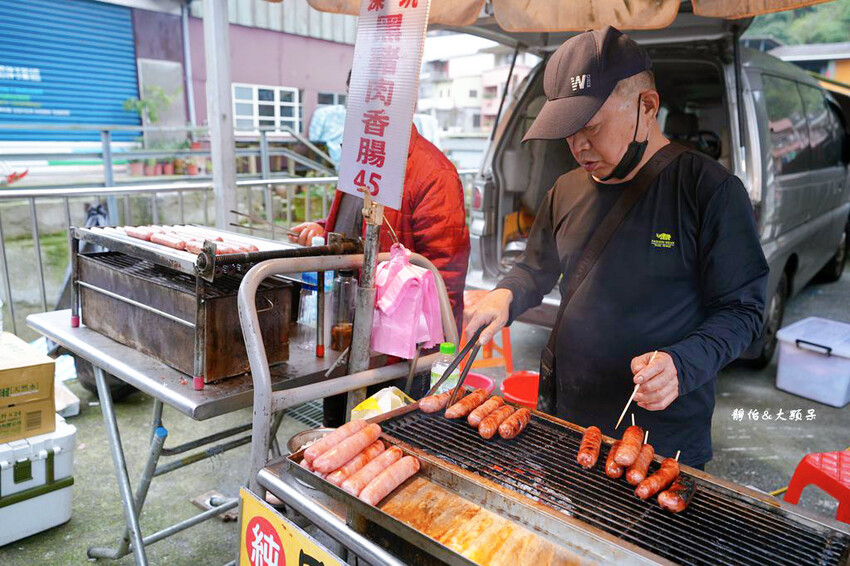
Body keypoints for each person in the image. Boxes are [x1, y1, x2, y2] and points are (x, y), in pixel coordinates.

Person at [465, 27, 769, 469]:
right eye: (567, 133)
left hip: (659, 435)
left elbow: (743, 312)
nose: (578, 147)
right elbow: (534, 269)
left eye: (590, 127)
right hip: (566, 417)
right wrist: (504, 295)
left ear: (647, 107)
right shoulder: (564, 190)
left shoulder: (709, 191)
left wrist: (681, 365)